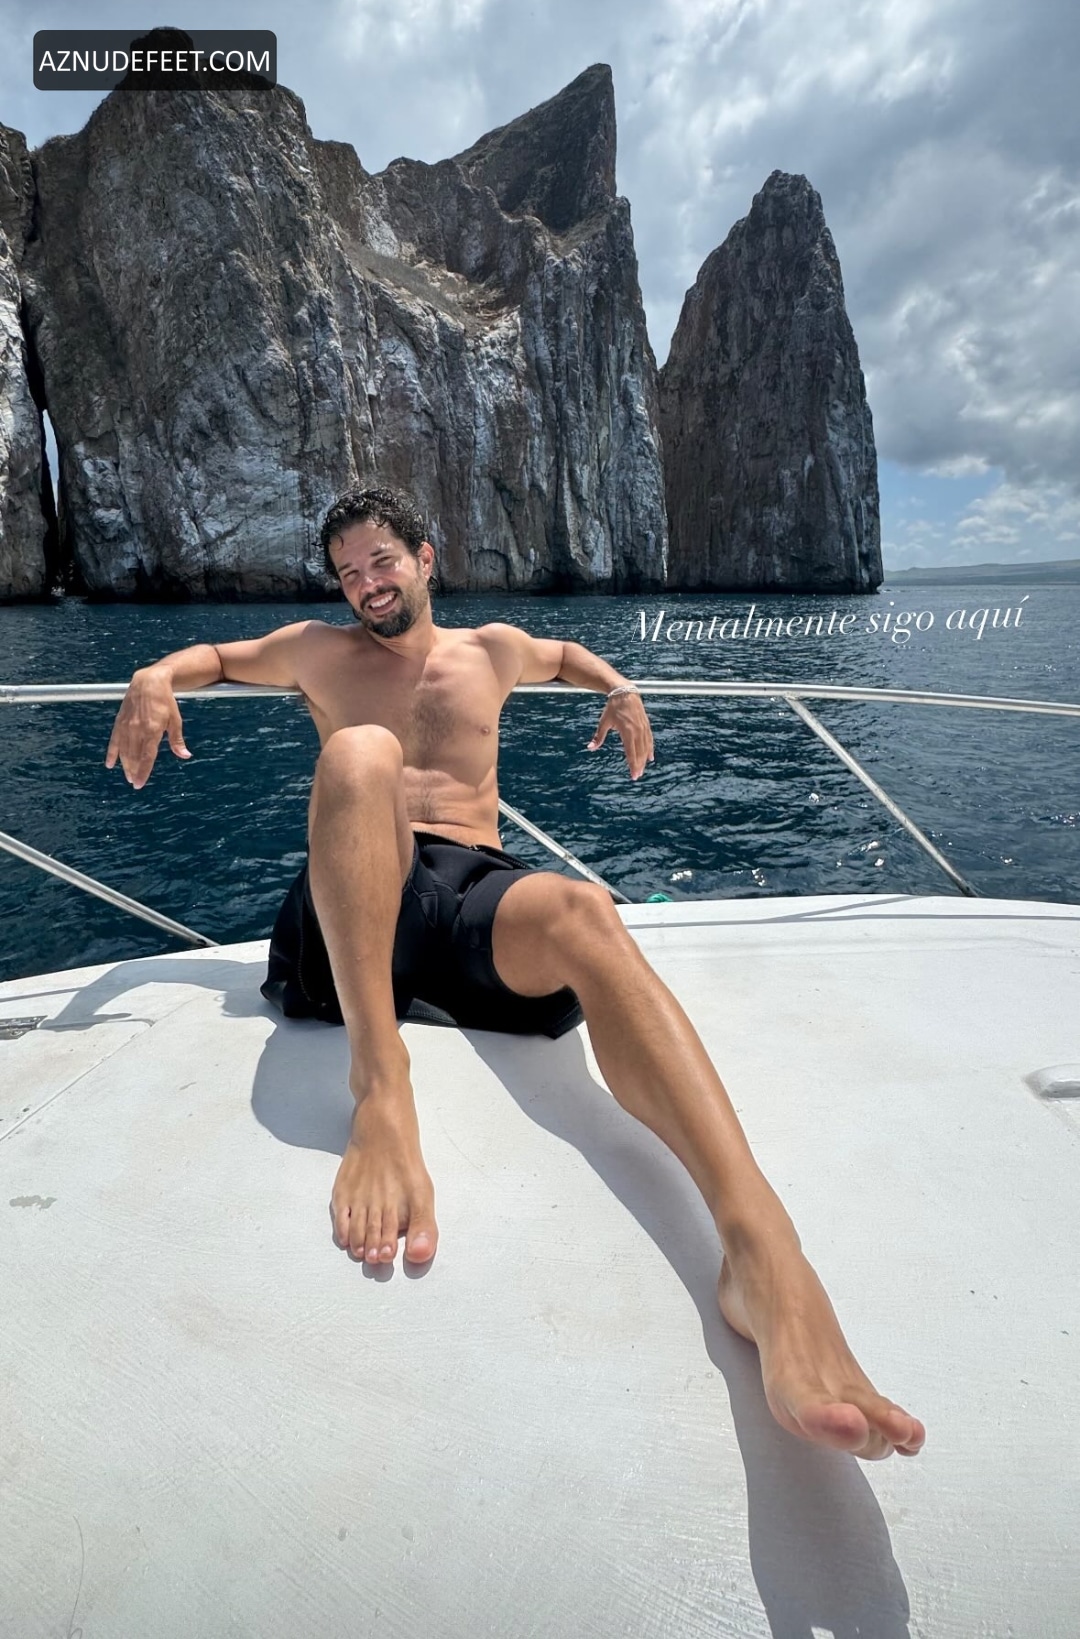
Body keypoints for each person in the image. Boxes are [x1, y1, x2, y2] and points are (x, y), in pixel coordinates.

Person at [106, 483, 925, 1463]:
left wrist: (617, 685)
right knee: (359, 751)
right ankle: (382, 1087)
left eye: (381, 560)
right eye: (349, 572)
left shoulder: (490, 650)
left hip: (472, 892)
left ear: (425, 558)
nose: (366, 584)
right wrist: (154, 673)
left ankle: (761, 1248)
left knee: (585, 910)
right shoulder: (315, 650)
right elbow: (215, 657)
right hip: (357, 901)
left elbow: (565, 654)